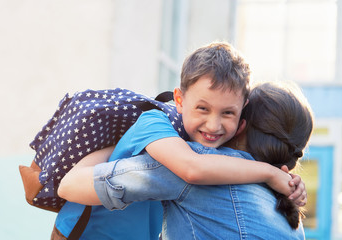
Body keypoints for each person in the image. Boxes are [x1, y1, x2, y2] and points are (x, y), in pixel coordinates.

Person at [55, 42, 306, 239]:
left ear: (242, 119)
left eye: (228, 113)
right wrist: (270, 173)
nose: (213, 125)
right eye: (202, 109)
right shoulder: (164, 131)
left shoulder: (211, 163)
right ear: (180, 100)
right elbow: (192, 168)